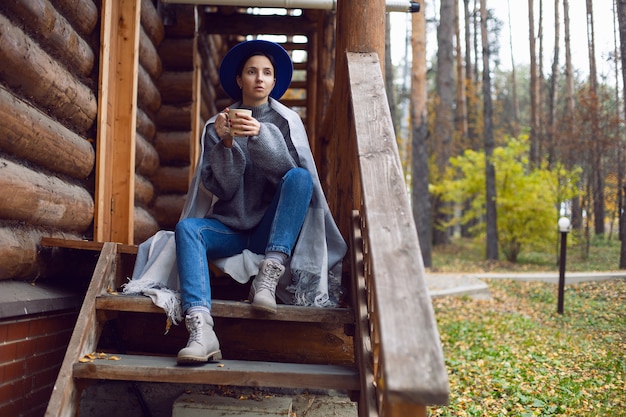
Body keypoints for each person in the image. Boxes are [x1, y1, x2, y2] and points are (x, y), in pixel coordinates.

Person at [142, 39, 348, 365]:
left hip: (271, 231)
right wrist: (226, 143)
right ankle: (201, 328)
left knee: (300, 177)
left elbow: (291, 180)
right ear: (240, 80)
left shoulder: (286, 122)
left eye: (267, 72)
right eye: (251, 71)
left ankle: (268, 277)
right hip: (230, 229)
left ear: (274, 80)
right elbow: (222, 188)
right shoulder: (217, 125)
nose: (259, 78)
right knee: (187, 229)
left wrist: (260, 135)